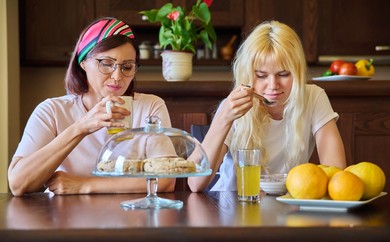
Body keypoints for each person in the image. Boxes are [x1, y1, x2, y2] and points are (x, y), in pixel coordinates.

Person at [8, 17, 176, 196]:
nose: (117, 76)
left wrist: (84, 185)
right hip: (65, 219)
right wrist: (81, 127)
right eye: (106, 64)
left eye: (127, 67)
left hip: (131, 217)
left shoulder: (150, 106)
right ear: (83, 62)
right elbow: (18, 184)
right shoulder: (52, 111)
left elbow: (166, 180)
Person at [188, 20, 346, 192]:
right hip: (231, 206)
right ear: (248, 74)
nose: (272, 85)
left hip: (287, 209)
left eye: (283, 74)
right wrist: (223, 117)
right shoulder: (233, 106)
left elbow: (336, 175)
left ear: (298, 72)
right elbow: (195, 184)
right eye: (261, 75)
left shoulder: (313, 98)